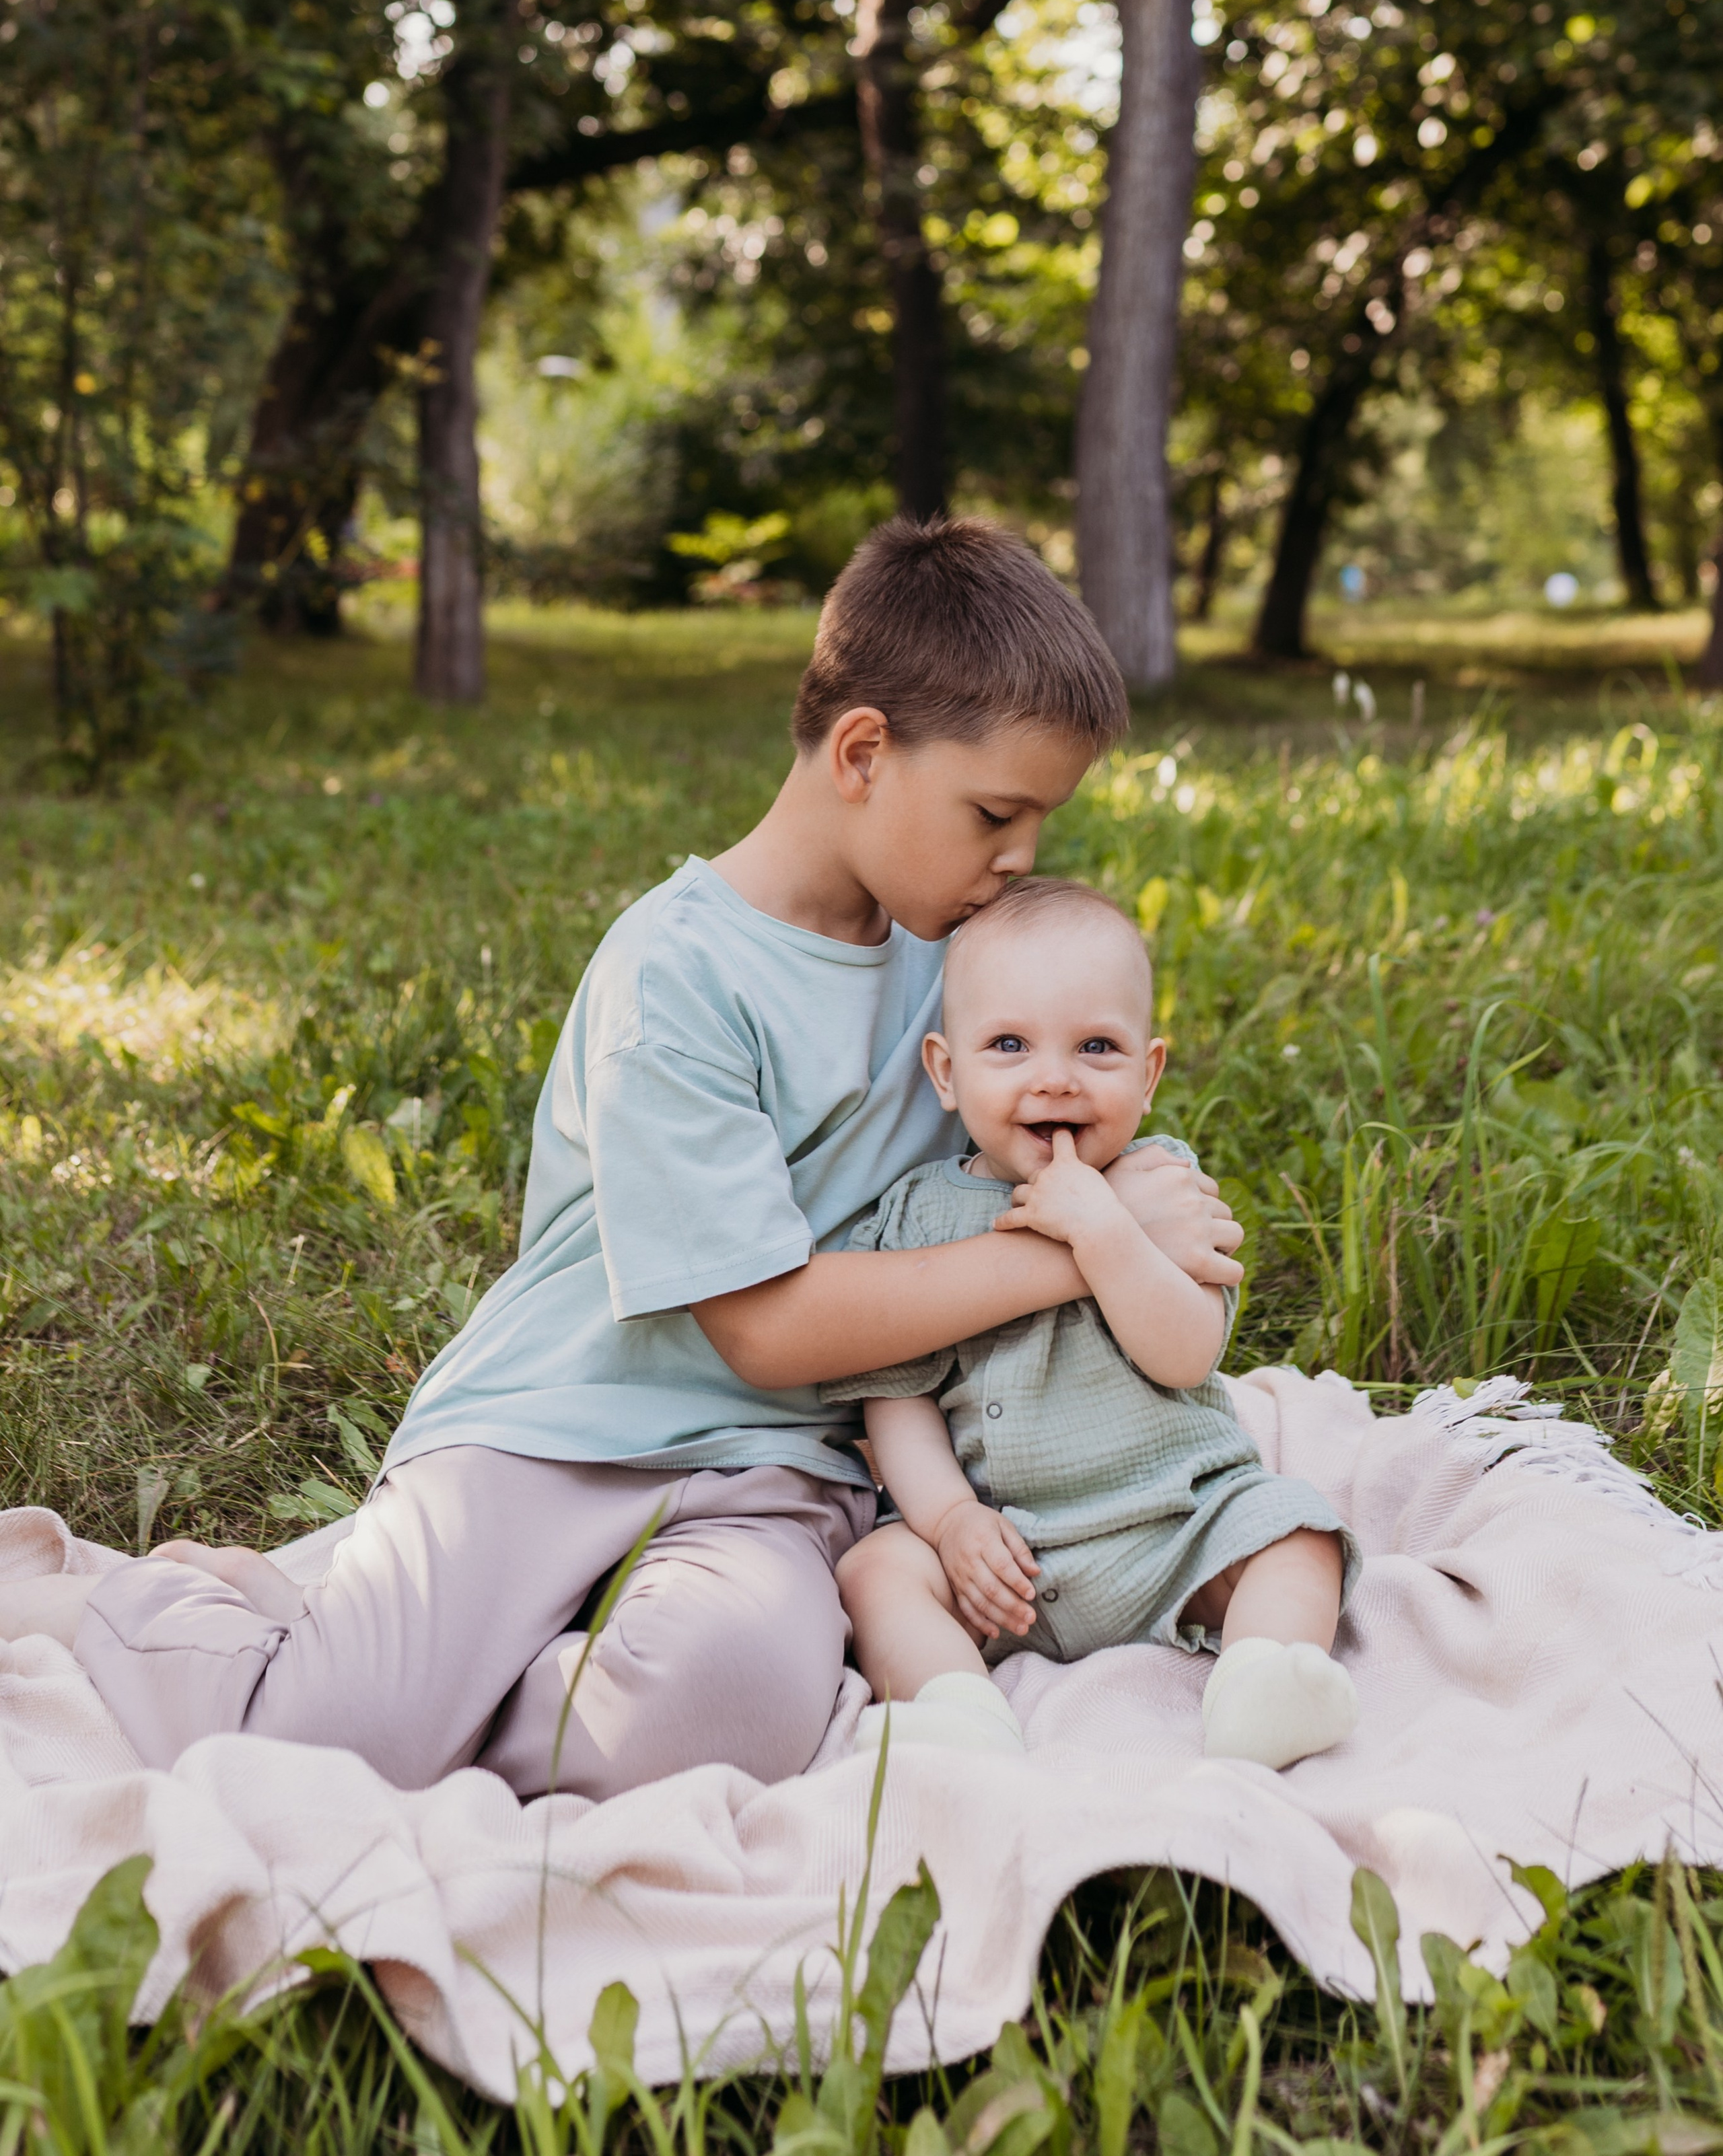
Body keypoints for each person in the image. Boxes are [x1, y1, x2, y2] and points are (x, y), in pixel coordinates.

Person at [0, 519, 1246, 1801]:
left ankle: (433, 1666)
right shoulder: (679, 973)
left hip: (782, 1469)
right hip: (556, 1424)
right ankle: (124, 1607)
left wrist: (1138, 1203)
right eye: (997, 812)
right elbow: (763, 1325)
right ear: (865, 751)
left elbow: (1068, 1115)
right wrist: (1083, 1251)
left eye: (1041, 819)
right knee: (331, 1748)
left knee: (725, 1708)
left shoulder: (967, 967)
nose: (1025, 857)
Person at [824, 877, 1359, 1770]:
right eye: (1008, 1044)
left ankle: (1262, 1682)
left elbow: (1187, 1352)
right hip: (1011, 1559)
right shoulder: (918, 1217)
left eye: (1096, 1047)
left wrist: (1105, 1225)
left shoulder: (1162, 1186)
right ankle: (955, 1710)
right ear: (946, 1072)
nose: (1055, 1077)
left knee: (1297, 1531)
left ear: (1148, 1074)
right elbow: (898, 1400)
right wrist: (953, 1523)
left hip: (1180, 1528)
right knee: (877, 1573)